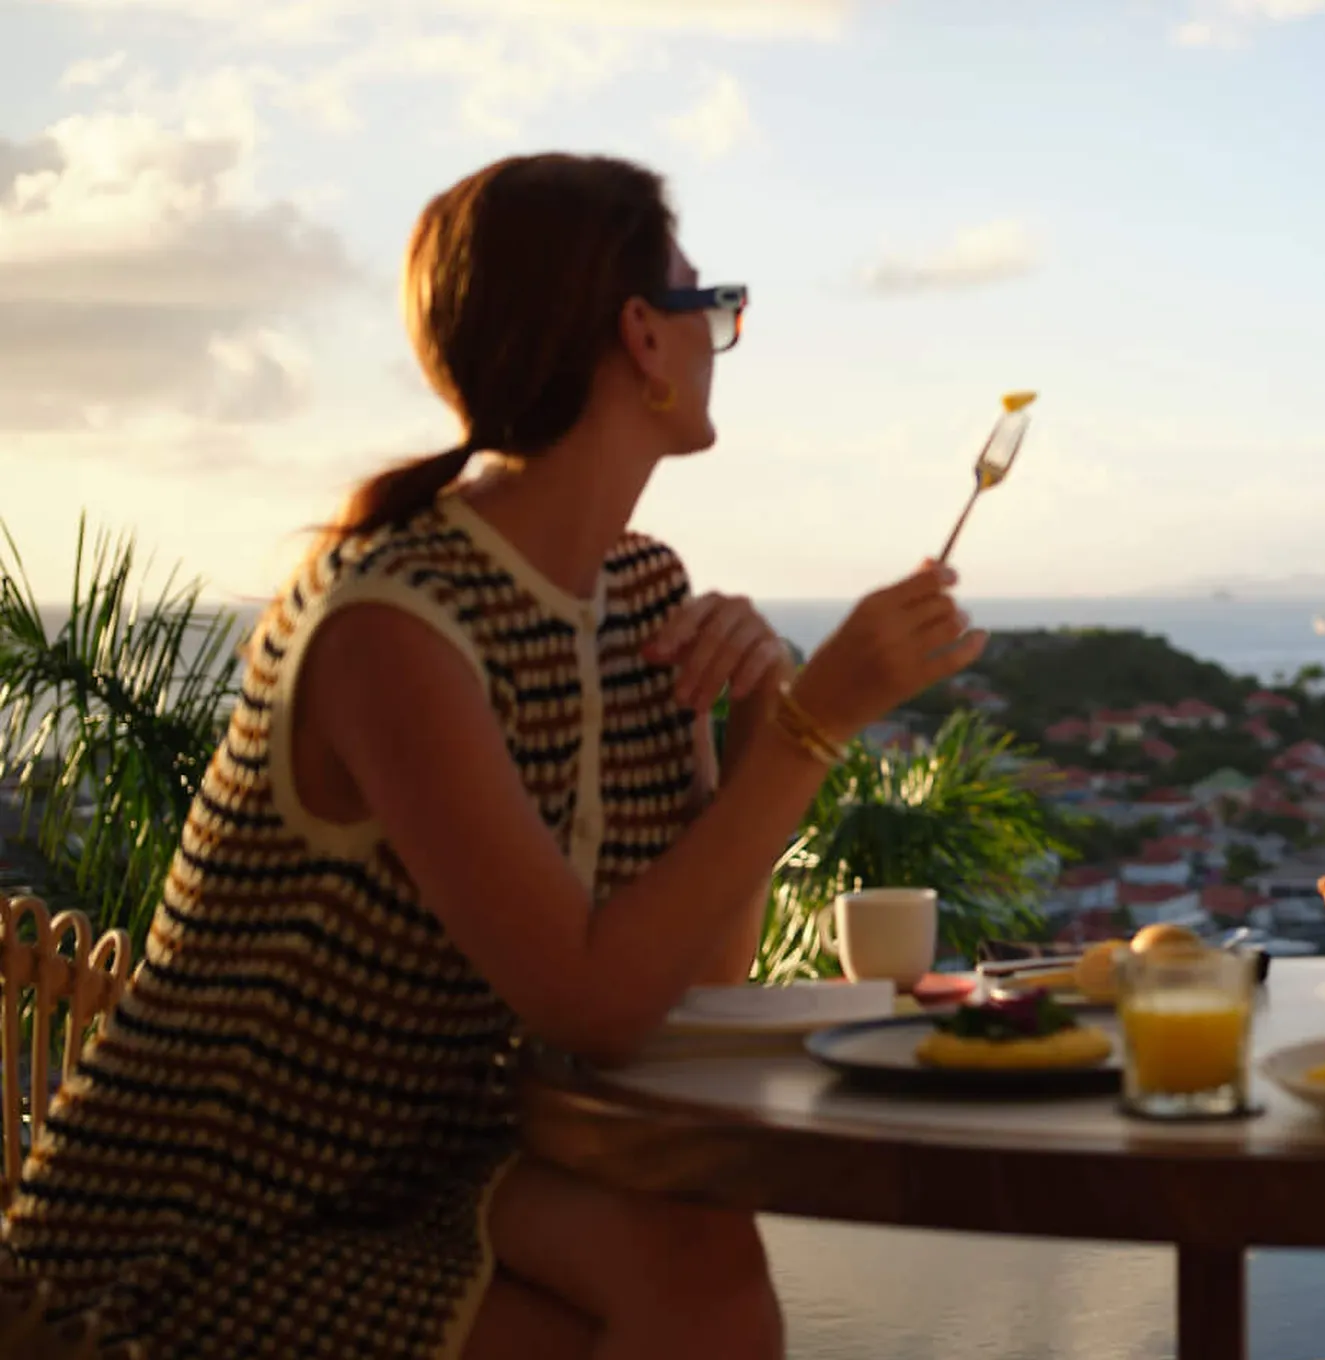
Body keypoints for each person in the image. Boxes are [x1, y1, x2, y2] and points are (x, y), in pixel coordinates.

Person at [0, 153, 982, 1359]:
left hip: (426, 1178)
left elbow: (687, 984)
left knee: (703, 1262)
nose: (722, 337)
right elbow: (593, 998)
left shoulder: (639, 596)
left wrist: (744, 735)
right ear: (643, 337)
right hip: (188, 1237)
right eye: (709, 304)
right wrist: (810, 729)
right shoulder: (390, 625)